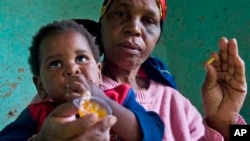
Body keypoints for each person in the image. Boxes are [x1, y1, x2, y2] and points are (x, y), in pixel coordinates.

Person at [3, 0, 247, 141]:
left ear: (158, 35)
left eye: (149, 21)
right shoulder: (62, 92)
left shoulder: (175, 103)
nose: (134, 28)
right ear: (103, 24)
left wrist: (226, 121)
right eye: (121, 14)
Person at [0, 20, 165, 141]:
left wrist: (103, 100)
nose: (72, 69)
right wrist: (42, 138)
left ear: (99, 73)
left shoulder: (120, 98)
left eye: (81, 58)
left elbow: (155, 131)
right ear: (41, 86)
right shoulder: (37, 114)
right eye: (55, 63)